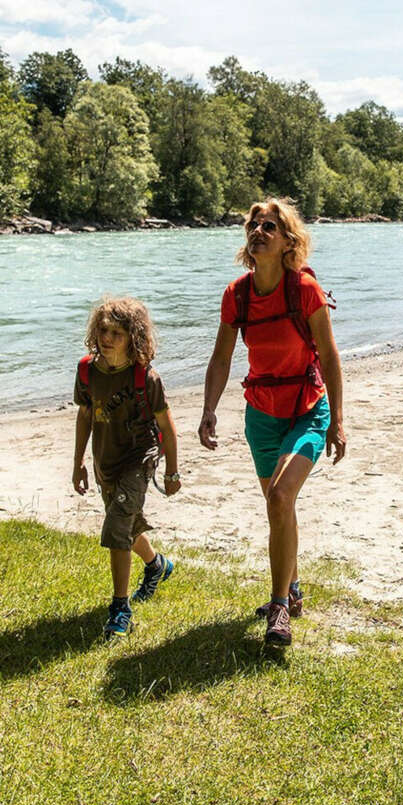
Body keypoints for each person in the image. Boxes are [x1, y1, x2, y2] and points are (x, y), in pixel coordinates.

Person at [198, 197, 346, 647]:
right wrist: (208, 409)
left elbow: (331, 355)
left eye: (270, 227)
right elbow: (222, 357)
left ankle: (278, 607)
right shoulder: (236, 294)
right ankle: (294, 588)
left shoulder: (304, 289)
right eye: (254, 225)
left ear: (288, 242)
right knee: (278, 506)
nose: (258, 232)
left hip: (306, 406)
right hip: (261, 413)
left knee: (281, 496)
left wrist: (337, 420)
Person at [72, 297, 181, 639]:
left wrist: (172, 471)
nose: (107, 338)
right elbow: (86, 415)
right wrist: (77, 462)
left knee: (117, 524)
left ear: (133, 336)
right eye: (103, 330)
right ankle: (157, 566)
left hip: (139, 456)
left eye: (116, 333)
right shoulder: (87, 371)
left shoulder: (145, 376)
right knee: (128, 525)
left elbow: (166, 425)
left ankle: (120, 608)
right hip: (105, 459)